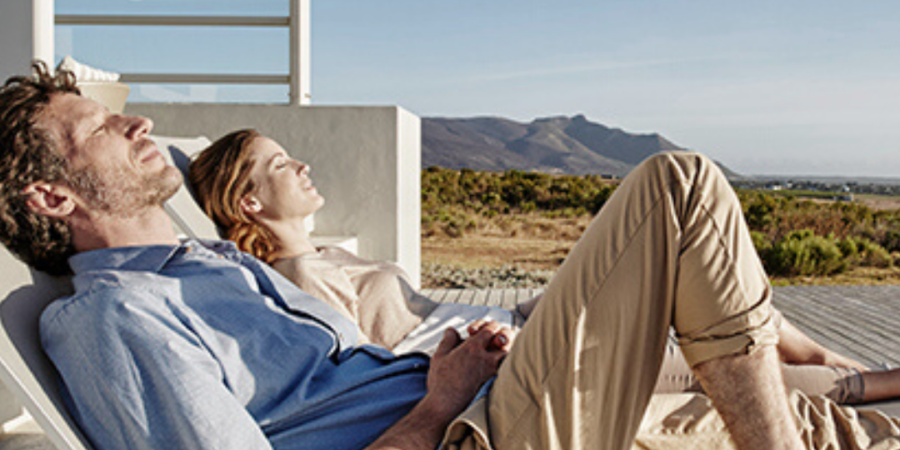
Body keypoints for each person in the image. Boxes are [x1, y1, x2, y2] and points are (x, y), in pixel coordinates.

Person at [0, 62, 807, 450]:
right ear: (52, 199)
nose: (135, 124)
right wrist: (434, 402)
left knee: (805, 418)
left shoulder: (210, 265)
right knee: (679, 188)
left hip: (472, 401)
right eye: (99, 129)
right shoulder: (112, 315)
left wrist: (437, 370)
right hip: (461, 434)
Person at [190, 128, 900, 405]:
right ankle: (867, 386)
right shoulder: (297, 276)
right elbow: (371, 370)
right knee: (707, 364)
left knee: (717, 303)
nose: (304, 163)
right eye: (283, 163)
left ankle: (860, 373)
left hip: (516, 321)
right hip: (511, 356)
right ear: (249, 201)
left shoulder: (323, 255)